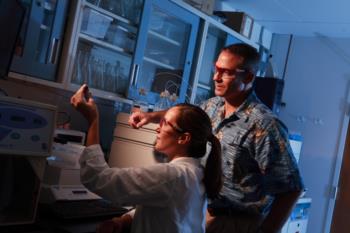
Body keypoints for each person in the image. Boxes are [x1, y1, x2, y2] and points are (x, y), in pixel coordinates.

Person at [128, 43, 305, 233]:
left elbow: (292, 189)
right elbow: (183, 115)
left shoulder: (264, 125)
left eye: (226, 72)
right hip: (204, 213)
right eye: (216, 69)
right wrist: (150, 117)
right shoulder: (213, 106)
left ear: (248, 76)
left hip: (238, 223)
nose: (216, 77)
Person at [70, 84, 222, 233]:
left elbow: (98, 178)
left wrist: (93, 120)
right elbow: (165, 209)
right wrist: (123, 220)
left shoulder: (172, 176)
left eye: (164, 123)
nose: (157, 127)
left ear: (183, 138)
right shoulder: (196, 172)